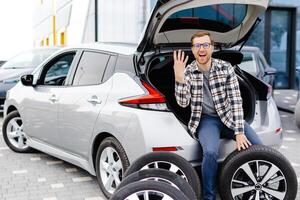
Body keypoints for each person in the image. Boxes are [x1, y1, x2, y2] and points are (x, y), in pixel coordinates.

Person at [173, 31, 263, 200]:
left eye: (205, 45)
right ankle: (209, 196)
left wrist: (239, 132)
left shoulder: (225, 68)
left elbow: (236, 101)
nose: (202, 49)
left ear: (212, 48)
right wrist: (179, 78)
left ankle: (246, 184)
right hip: (206, 120)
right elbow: (183, 103)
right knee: (211, 153)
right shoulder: (188, 72)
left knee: (259, 147)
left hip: (228, 116)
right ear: (193, 50)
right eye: (198, 45)